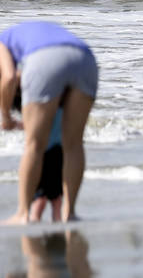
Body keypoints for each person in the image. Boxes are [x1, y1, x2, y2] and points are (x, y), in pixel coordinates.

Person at [0, 21, 98, 224]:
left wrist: (6, 116)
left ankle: (23, 213)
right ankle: (69, 213)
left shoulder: (2, 41)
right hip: (85, 58)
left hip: (45, 61)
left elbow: (8, 77)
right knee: (74, 144)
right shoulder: (25, 33)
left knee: (34, 145)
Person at [12, 86, 65, 222]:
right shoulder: (58, 103)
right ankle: (58, 224)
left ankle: (34, 221)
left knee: (40, 200)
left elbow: (36, 126)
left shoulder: (38, 105)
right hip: (58, 151)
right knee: (56, 199)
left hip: (42, 152)